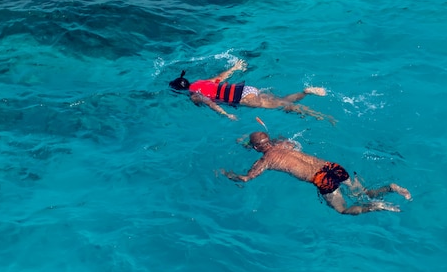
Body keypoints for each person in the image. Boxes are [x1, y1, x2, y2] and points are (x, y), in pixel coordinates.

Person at [222, 131, 412, 215]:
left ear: (255, 148)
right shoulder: (284, 143)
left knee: (343, 210)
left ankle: (377, 206)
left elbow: (246, 178)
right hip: (332, 167)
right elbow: (275, 141)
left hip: (321, 179)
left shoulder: (265, 160)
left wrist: (227, 174)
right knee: (364, 193)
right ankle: (391, 188)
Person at [169, 59, 334, 123]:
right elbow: (220, 77)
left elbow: (209, 103)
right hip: (246, 89)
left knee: (282, 105)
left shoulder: (194, 96)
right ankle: (305, 95)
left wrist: (226, 115)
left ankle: (306, 95)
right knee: (281, 100)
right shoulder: (200, 82)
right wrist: (235, 67)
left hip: (243, 98)